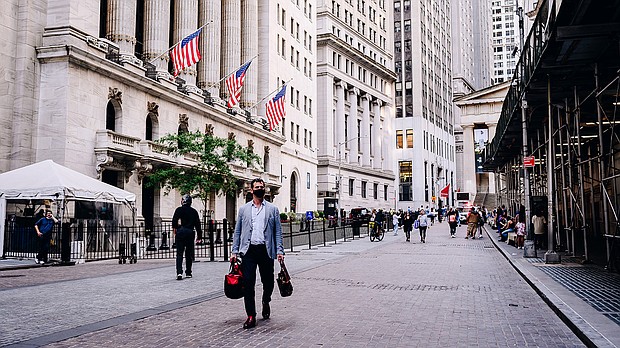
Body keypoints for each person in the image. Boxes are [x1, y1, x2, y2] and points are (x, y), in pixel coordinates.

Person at [232, 178, 284, 330]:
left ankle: (265, 300)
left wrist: (280, 251)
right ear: (251, 190)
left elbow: (278, 232)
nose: (260, 189)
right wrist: (234, 251)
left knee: (268, 282)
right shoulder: (244, 210)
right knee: (248, 283)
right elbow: (238, 231)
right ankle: (251, 315)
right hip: (248, 251)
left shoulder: (272, 209)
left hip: (266, 250)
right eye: (257, 187)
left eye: (262, 187)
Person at [172, 194, 203, 280]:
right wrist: (199, 236)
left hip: (181, 232)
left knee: (179, 253)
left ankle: (179, 272)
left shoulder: (179, 210)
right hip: (190, 232)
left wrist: (178, 227)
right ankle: (188, 272)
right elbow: (198, 225)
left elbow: (174, 221)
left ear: (183, 201)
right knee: (189, 253)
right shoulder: (194, 211)